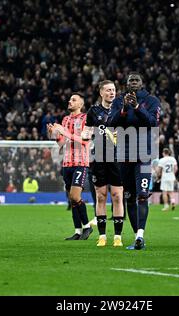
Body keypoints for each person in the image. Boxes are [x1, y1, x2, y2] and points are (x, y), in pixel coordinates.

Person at [108, 72, 161, 250]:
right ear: (127, 83)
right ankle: (136, 238)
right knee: (129, 197)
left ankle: (140, 235)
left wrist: (137, 106)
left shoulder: (152, 101)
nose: (134, 83)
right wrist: (123, 109)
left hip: (144, 155)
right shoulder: (118, 101)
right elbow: (111, 123)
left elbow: (152, 123)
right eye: (131, 80)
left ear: (142, 83)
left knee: (142, 195)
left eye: (137, 80)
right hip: (123, 154)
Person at [82, 80, 125, 247]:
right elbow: (86, 132)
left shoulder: (121, 110)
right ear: (101, 93)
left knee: (117, 196)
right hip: (99, 159)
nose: (112, 93)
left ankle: (118, 237)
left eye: (113, 90)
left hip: (117, 159)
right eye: (108, 90)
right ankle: (102, 236)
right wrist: (87, 134)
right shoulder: (93, 111)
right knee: (101, 196)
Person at [47, 92, 93, 240]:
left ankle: (87, 227)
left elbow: (85, 141)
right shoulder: (65, 119)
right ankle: (78, 231)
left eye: (74, 100)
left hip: (80, 162)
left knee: (75, 196)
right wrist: (55, 135)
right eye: (69, 99)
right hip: (67, 163)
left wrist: (65, 132)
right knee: (71, 199)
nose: (69, 101)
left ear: (81, 104)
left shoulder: (86, 118)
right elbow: (62, 144)